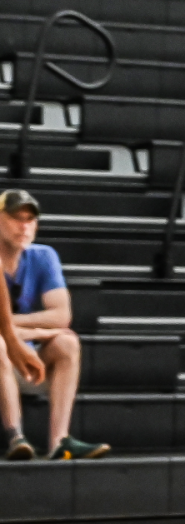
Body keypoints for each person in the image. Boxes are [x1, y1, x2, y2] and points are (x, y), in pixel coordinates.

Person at [0, 191, 101, 460]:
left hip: (27, 360)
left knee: (67, 341)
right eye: (15, 218)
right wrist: (33, 331)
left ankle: (59, 441)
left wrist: (11, 326)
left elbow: (61, 315)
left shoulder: (43, 256)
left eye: (30, 220)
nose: (24, 226)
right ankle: (15, 437)